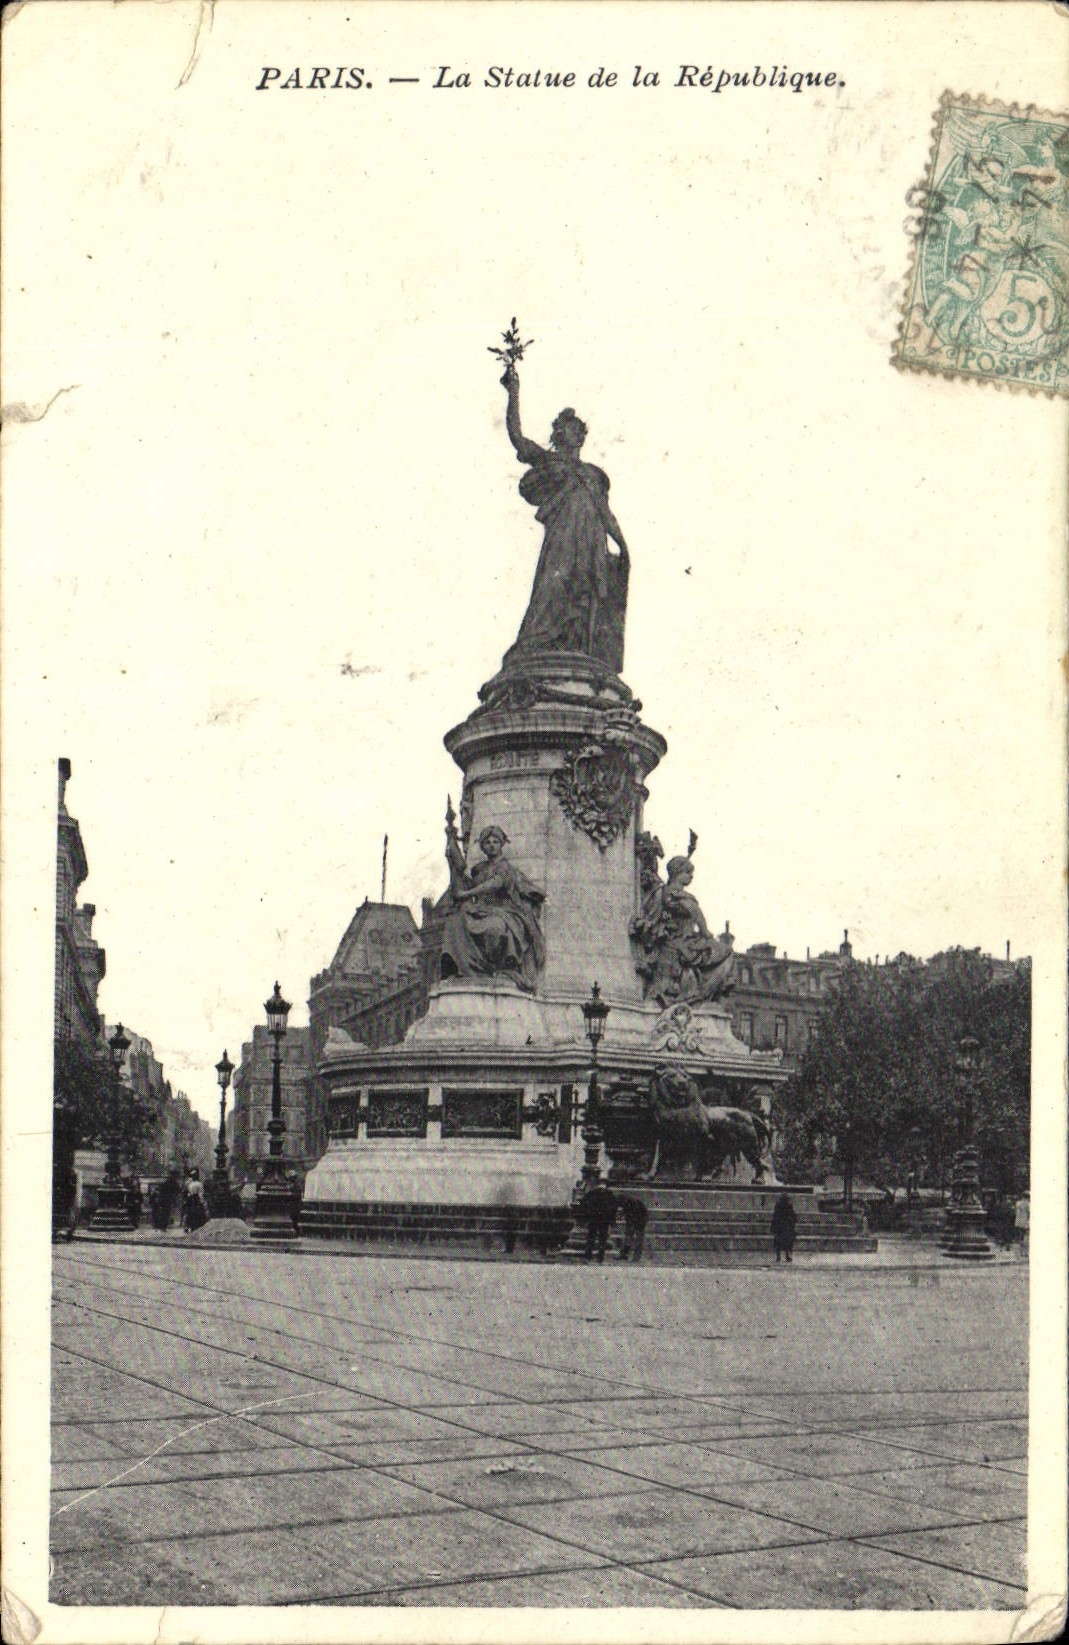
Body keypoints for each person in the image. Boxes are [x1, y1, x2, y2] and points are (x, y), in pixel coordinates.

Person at [500, 361, 630, 671]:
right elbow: (517, 438)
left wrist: (622, 545)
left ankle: (577, 653)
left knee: (586, 598)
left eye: (577, 430)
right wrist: (513, 393)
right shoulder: (550, 461)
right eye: (568, 429)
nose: (573, 434)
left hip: (591, 543)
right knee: (552, 588)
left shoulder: (594, 476)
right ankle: (539, 644)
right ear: (559, 434)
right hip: (563, 539)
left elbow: (606, 513)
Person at [441, 824, 545, 992]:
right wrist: (452, 862)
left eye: (495, 841)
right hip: (482, 910)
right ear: (482, 846)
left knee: (493, 927)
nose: (491, 845)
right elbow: (464, 883)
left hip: (505, 912)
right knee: (455, 920)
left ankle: (498, 967)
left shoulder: (504, 867)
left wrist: (467, 894)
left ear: (502, 844)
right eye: (487, 842)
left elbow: (494, 884)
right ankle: (461, 967)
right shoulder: (479, 869)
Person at [630, 854, 736, 1006]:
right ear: (677, 873)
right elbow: (696, 915)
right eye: (688, 872)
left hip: (674, 940)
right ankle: (705, 995)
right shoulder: (680, 896)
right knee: (727, 952)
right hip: (684, 942)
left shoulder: (662, 892)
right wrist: (706, 933)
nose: (691, 876)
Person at [581, 1182, 618, 1263]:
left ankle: (588, 1256)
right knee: (602, 1239)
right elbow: (614, 1209)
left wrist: (587, 1215)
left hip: (593, 1219)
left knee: (591, 1238)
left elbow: (583, 1203)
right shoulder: (609, 1195)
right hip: (604, 1220)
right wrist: (612, 1221)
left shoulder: (591, 1194)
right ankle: (600, 1258)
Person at [616, 1193, 649, 1263]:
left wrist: (639, 1224)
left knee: (639, 1240)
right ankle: (624, 1254)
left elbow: (638, 1214)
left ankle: (636, 1257)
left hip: (640, 1222)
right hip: (631, 1222)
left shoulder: (634, 1203)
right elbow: (625, 1213)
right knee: (627, 1239)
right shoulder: (626, 1204)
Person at [771, 1192, 798, 1264]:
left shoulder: (778, 1205)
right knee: (787, 1242)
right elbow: (793, 1215)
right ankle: (786, 1255)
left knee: (778, 1242)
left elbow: (775, 1216)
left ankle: (778, 1256)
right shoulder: (788, 1205)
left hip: (780, 1226)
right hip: (786, 1226)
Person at [183, 1168, 207, 1232]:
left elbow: (187, 1192)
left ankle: (188, 1226)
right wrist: (202, 1202)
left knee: (188, 1213)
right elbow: (201, 1193)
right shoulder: (199, 1184)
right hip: (197, 1199)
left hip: (190, 1199)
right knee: (200, 1213)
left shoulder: (190, 1184)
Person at [1014, 1189, 1029, 1257]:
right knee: (1025, 1236)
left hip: (1018, 1221)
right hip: (1025, 1221)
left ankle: (1020, 1252)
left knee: (1020, 1236)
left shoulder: (1018, 1203)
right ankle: (1024, 1252)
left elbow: (1016, 1212)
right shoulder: (1028, 1204)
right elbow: (1029, 1213)